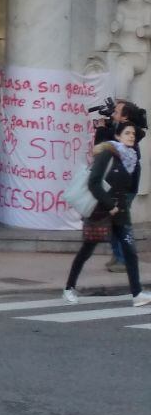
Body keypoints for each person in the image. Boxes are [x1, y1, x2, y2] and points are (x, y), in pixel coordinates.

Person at [64, 121, 151, 306]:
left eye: (133, 134)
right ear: (118, 136)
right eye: (127, 133)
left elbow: (129, 187)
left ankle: (137, 294)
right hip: (101, 213)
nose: (131, 136)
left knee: (130, 251)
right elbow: (93, 182)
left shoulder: (132, 159)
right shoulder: (107, 154)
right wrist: (110, 204)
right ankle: (68, 288)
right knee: (86, 251)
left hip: (120, 214)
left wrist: (121, 206)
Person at [93, 100, 146, 274]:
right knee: (116, 224)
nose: (113, 113)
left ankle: (124, 259)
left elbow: (101, 146)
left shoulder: (127, 131)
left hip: (125, 187)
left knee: (121, 224)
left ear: (126, 116)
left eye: (116, 111)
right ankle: (118, 257)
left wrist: (101, 128)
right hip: (120, 186)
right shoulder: (125, 128)